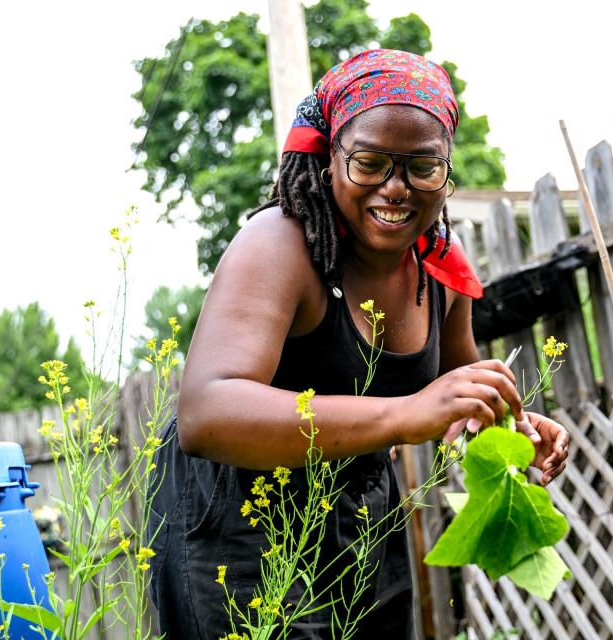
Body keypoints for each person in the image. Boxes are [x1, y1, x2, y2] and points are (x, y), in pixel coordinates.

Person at [149, 49, 570, 640]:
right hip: (236, 528)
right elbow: (206, 413)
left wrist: (515, 430)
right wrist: (403, 415)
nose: (396, 189)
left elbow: (463, 395)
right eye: (369, 163)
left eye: (422, 167)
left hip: (358, 512)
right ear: (329, 163)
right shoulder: (281, 245)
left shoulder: (442, 274)